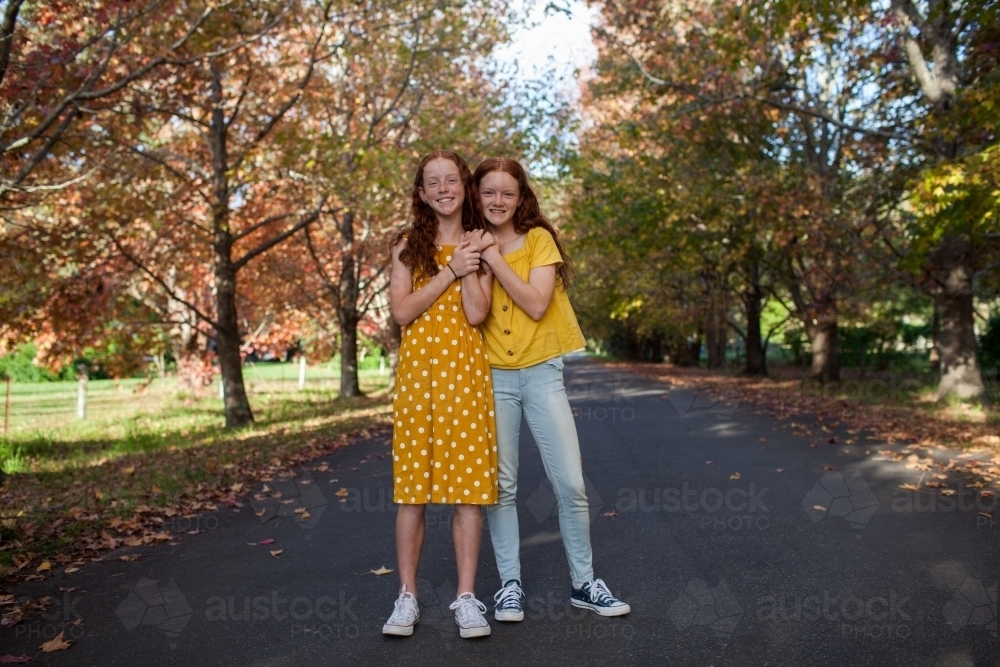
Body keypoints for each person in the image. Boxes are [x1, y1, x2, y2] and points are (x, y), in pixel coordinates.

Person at [471, 156, 631, 621]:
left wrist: (494, 259)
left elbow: (537, 303)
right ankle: (510, 586)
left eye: (507, 193)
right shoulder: (469, 245)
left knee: (570, 483)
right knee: (501, 487)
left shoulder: (538, 240)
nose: (498, 201)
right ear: (475, 195)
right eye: (489, 192)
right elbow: (474, 312)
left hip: (542, 372)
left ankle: (584, 584)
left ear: (521, 198)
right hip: (493, 376)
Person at [381, 150, 499, 639]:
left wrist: (468, 262)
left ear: (464, 186)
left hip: (466, 374)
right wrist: (449, 270)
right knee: (414, 490)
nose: (445, 188)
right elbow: (403, 312)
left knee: (467, 491)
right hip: (419, 376)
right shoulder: (407, 246)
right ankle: (406, 597)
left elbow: (476, 314)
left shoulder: (483, 242)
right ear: (422, 192)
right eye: (435, 182)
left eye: (453, 179)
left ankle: (466, 598)